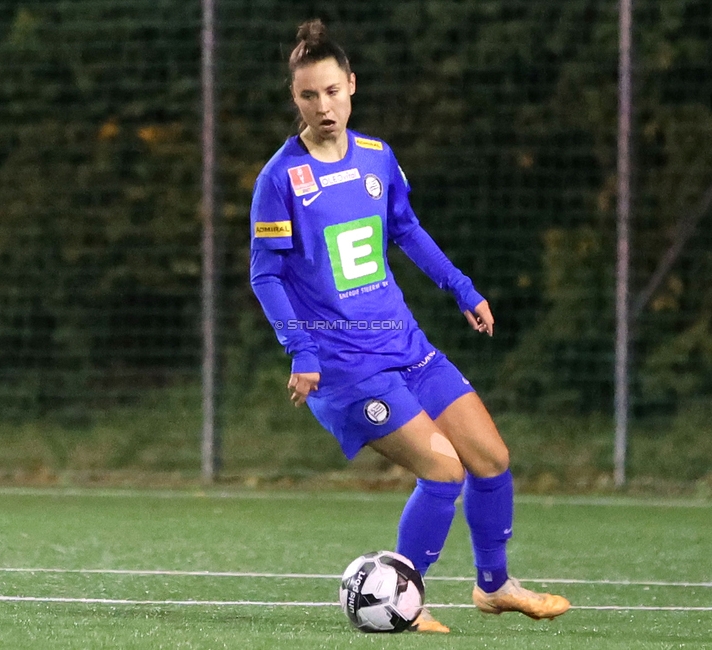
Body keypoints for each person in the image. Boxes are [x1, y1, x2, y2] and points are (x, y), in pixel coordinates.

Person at [249, 18, 570, 633]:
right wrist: (301, 351)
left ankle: (495, 585)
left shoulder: (377, 157)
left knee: (491, 459)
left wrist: (461, 287)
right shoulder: (280, 181)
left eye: (332, 92)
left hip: (405, 345)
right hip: (345, 366)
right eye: (309, 95)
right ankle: (405, 599)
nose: (323, 106)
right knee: (444, 468)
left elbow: (405, 230)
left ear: (351, 86)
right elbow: (266, 276)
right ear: (295, 100)